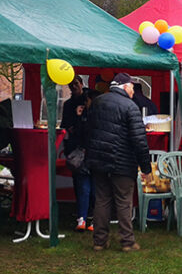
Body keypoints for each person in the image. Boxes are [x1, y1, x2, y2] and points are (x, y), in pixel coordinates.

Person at [86, 73, 152, 252]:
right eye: (132, 87)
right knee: (123, 202)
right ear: (124, 86)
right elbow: (139, 140)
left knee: (102, 200)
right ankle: (127, 242)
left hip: (99, 161)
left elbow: (88, 130)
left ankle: (99, 241)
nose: (133, 91)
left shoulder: (97, 102)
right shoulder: (130, 106)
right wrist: (146, 168)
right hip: (122, 162)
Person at [63, 87, 97, 232]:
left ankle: (83, 219)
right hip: (94, 156)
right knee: (93, 189)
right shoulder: (99, 117)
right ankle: (90, 219)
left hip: (85, 155)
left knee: (85, 188)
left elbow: (76, 134)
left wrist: (78, 118)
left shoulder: (85, 117)